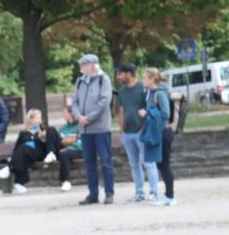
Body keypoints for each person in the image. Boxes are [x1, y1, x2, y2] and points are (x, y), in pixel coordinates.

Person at [71, 53, 115, 205]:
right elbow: (74, 101)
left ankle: (109, 193)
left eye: (84, 65)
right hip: (85, 129)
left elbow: (104, 102)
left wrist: (89, 117)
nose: (81, 68)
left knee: (105, 161)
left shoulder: (104, 79)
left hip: (100, 128)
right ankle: (93, 194)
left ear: (92, 65)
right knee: (89, 162)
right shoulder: (79, 82)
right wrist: (78, 116)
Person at [0, 109, 61, 194]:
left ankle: (10, 170)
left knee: (48, 131)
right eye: (37, 118)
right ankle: (18, 182)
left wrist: (42, 137)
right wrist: (12, 157)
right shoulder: (24, 133)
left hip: (44, 154)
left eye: (40, 118)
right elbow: (17, 148)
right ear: (31, 120)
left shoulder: (44, 130)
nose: (39, 120)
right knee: (24, 147)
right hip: (29, 154)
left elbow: (52, 141)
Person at [140, 68, 174, 205]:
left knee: (164, 164)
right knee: (161, 164)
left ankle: (170, 196)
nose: (143, 80)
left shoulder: (159, 94)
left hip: (164, 132)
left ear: (152, 79)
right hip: (157, 132)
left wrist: (146, 114)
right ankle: (168, 195)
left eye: (145, 78)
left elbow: (166, 114)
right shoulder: (149, 93)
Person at [115, 63, 148, 203]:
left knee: (146, 162)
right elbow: (121, 111)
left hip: (141, 132)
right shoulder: (122, 91)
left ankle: (152, 192)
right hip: (127, 133)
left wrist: (144, 128)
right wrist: (121, 130)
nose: (117, 77)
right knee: (134, 164)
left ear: (128, 74)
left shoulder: (143, 88)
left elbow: (149, 109)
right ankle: (139, 193)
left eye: (119, 74)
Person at [56, 104, 83, 192]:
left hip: (78, 150)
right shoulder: (63, 128)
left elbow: (80, 143)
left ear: (71, 114)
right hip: (63, 150)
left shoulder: (79, 126)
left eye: (64, 113)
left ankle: (66, 181)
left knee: (64, 154)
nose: (63, 115)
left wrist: (69, 148)